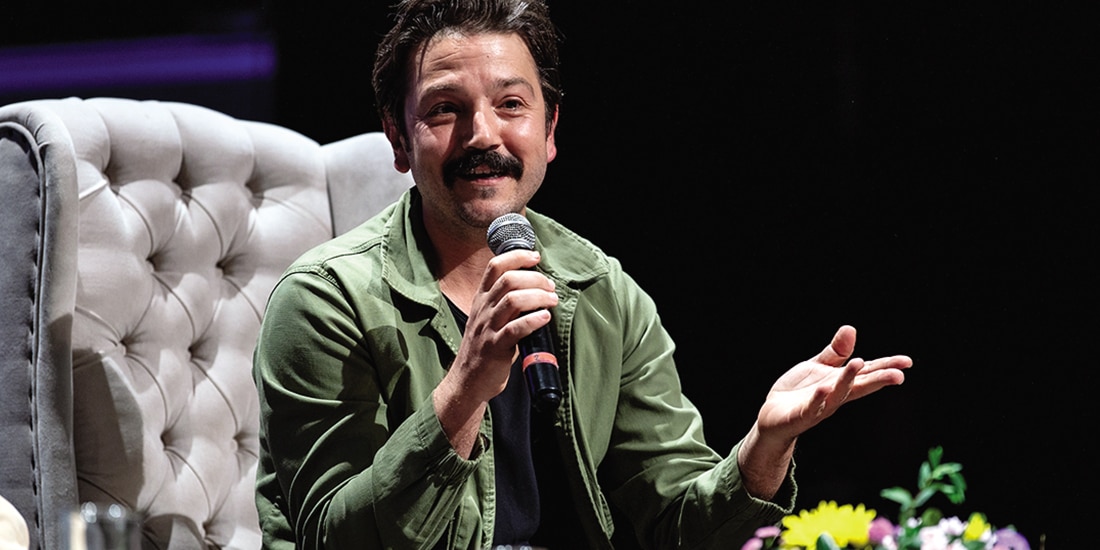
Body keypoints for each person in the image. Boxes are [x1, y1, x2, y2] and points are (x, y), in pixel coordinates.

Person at [252, 0, 913, 548]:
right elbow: (332, 537)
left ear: (549, 132)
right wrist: (461, 392)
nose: (483, 134)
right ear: (399, 138)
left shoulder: (605, 294)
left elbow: (678, 525)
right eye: (445, 109)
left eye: (511, 105)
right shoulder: (324, 300)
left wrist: (763, 450)